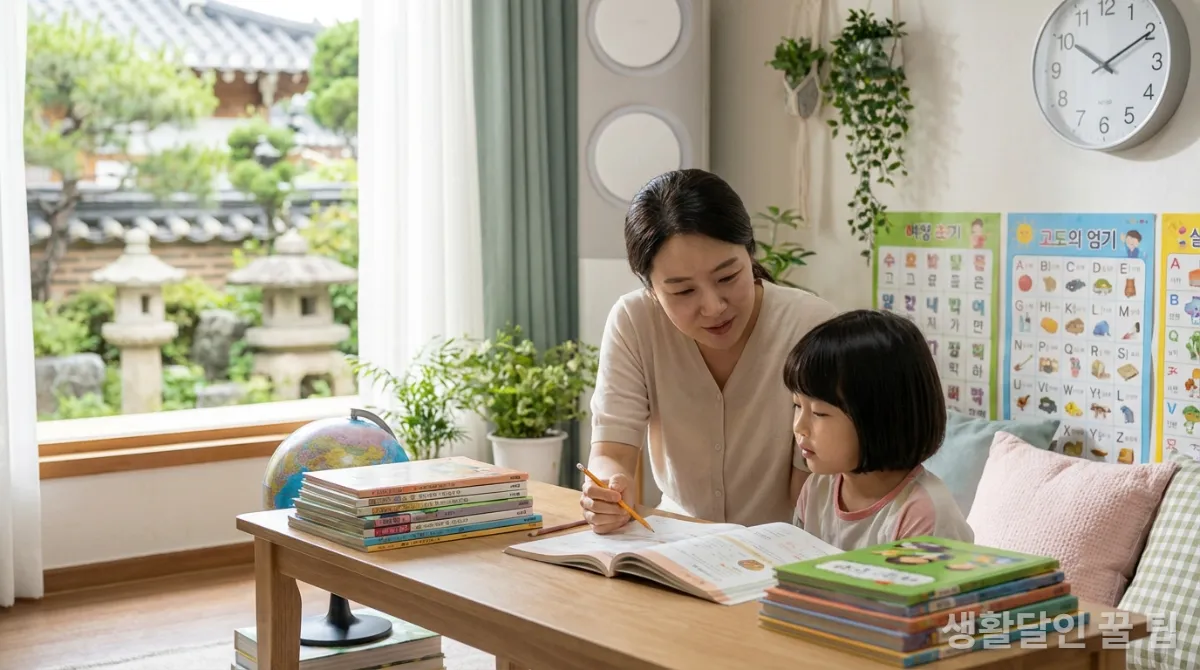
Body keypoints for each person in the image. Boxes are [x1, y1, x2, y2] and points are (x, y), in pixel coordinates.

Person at [579, 169, 839, 534]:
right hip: (675, 543)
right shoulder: (634, 322)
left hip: (782, 548)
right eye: (683, 292)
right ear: (650, 289)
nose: (714, 307)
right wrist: (607, 490)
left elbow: (812, 490)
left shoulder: (812, 326)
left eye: (728, 277)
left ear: (750, 253)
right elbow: (611, 453)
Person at [786, 309, 973, 550]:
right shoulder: (817, 488)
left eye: (819, 413)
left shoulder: (921, 513)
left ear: (878, 416)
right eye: (796, 405)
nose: (799, 426)